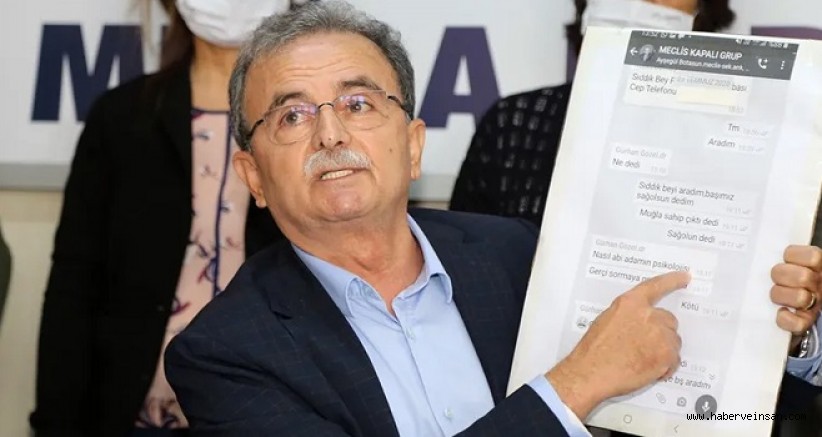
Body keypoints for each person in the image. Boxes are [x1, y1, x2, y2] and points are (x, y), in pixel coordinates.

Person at [164, 2, 822, 435]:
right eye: (292, 115)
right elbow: (595, 375)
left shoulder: (514, 253)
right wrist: (574, 385)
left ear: (413, 145)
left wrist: (781, 334)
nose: (331, 133)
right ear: (252, 175)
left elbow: (692, 397)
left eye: (359, 103)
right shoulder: (223, 353)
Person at [27, 1, 314, 436]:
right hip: (134, 413)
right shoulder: (123, 118)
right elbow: (75, 285)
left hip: (275, 415)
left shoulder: (318, 123)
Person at [449, 0, 735, 224]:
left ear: (702, 12)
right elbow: (461, 256)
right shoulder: (514, 124)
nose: (638, 4)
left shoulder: (728, 138)